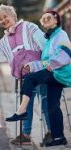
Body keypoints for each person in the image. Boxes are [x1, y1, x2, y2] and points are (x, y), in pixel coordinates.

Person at [0, 4, 51, 144]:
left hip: (41, 72)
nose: (3, 20)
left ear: (13, 16)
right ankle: (25, 135)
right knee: (26, 105)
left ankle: (52, 132)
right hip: (25, 77)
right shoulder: (6, 40)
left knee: (46, 102)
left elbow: (45, 44)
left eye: (5, 16)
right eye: (0, 19)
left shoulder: (28, 27)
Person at [6, 10, 71, 147]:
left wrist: (50, 65)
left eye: (48, 17)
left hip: (60, 72)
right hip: (55, 73)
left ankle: (21, 111)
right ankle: (59, 137)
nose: (45, 20)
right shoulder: (50, 38)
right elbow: (44, 61)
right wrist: (32, 65)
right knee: (52, 106)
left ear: (56, 20)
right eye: (43, 18)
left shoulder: (61, 34)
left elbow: (66, 54)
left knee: (30, 79)